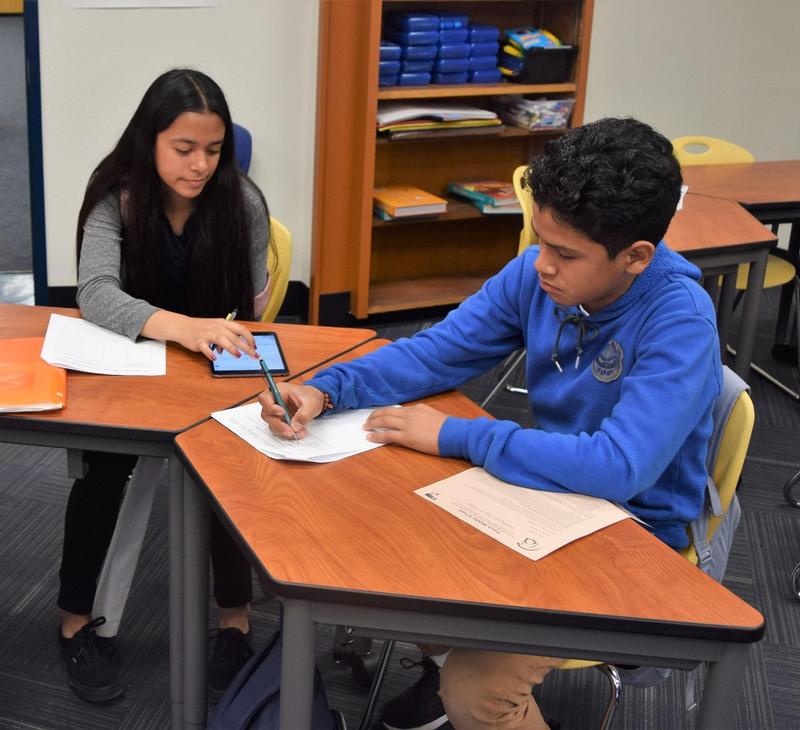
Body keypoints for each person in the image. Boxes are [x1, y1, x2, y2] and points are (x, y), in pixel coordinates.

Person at [259, 118, 723, 730]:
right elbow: (436, 351)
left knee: (478, 691)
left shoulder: (680, 320)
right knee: (383, 556)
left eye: (564, 253)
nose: (543, 266)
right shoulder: (539, 272)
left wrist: (460, 437)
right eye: (540, 240)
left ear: (636, 257)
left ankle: (466, 689)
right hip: (547, 497)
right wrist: (326, 389)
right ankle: (448, 667)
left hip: (633, 534)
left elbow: (618, 467)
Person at [61, 68, 270, 704]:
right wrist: (180, 328)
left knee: (227, 472)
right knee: (103, 469)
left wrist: (211, 340)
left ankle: (234, 621)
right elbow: (94, 292)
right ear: (150, 141)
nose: (201, 165)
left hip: (207, 365)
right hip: (133, 357)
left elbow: (252, 306)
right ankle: (74, 624)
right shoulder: (115, 197)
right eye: (184, 149)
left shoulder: (243, 202)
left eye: (213, 150)